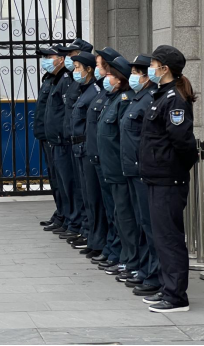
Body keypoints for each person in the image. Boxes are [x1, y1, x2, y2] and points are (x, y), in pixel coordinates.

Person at [139, 45, 198, 313]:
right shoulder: (160, 95)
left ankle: (176, 297)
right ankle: (167, 288)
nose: (150, 68)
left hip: (168, 179)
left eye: (153, 64)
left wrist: (177, 167)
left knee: (170, 238)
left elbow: (182, 141)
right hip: (157, 176)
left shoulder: (174, 98)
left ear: (165, 68)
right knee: (161, 237)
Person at [120, 55, 161, 297]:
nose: (133, 76)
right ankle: (145, 270)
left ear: (148, 75)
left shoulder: (150, 99)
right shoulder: (138, 98)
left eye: (138, 72)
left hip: (143, 171)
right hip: (132, 170)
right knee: (141, 223)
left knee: (150, 224)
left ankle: (154, 274)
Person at [97, 56, 139, 279]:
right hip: (111, 169)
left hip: (121, 170)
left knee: (127, 217)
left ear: (121, 79)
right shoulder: (114, 98)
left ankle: (130, 260)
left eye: (110, 74)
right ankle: (125, 257)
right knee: (119, 216)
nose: (106, 77)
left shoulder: (125, 100)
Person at [87, 48, 123, 271]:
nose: (102, 72)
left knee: (120, 213)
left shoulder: (120, 98)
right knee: (110, 210)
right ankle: (112, 248)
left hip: (116, 165)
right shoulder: (105, 94)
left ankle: (119, 253)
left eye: (103, 67)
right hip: (102, 160)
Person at [41, 45, 81, 238]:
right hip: (52, 138)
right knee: (58, 182)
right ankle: (64, 216)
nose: (46, 60)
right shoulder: (53, 78)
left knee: (69, 183)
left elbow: (67, 112)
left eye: (50, 56)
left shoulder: (67, 79)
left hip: (63, 140)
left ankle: (72, 220)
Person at [68, 51, 102, 257]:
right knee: (87, 196)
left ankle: (96, 238)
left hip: (87, 148)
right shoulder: (84, 90)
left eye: (79, 67)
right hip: (79, 148)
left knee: (94, 197)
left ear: (89, 69)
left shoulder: (94, 91)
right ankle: (91, 235)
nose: (75, 71)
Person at [34, 50, 65, 229]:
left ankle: (66, 216)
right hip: (46, 135)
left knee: (62, 181)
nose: (45, 61)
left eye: (49, 57)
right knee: (55, 179)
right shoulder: (49, 78)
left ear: (61, 59)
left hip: (56, 138)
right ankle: (61, 212)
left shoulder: (63, 79)